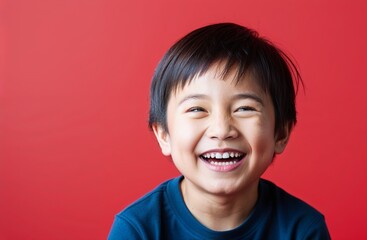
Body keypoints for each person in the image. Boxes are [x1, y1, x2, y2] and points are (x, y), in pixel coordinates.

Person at [108, 22, 331, 240]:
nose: (222, 130)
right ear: (164, 135)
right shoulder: (137, 230)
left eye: (244, 108)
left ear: (281, 133)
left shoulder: (303, 230)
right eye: (197, 109)